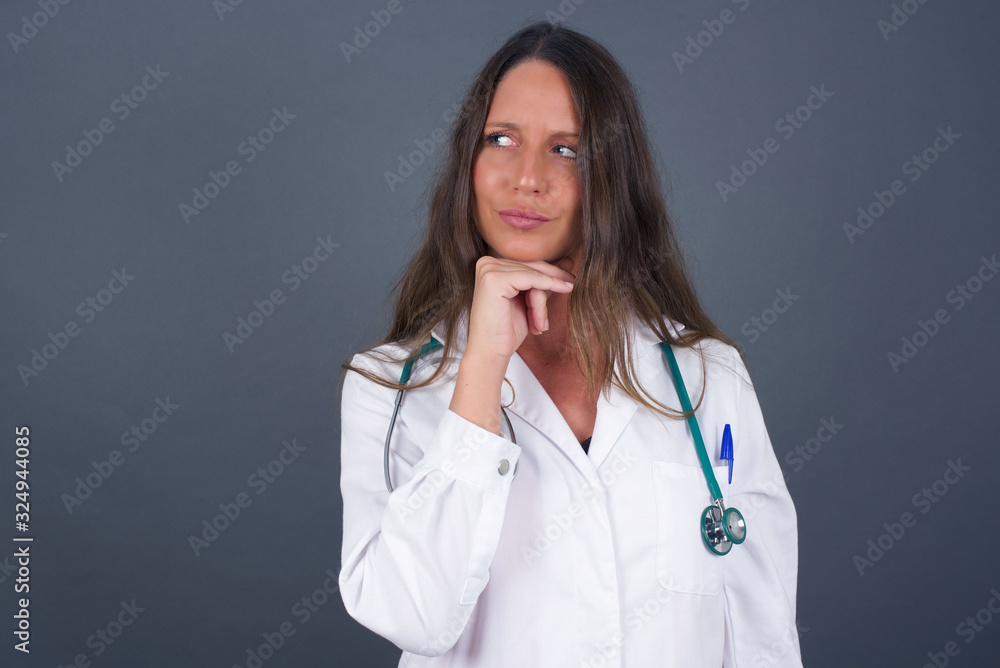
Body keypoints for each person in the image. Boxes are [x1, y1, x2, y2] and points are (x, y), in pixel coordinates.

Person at [337, 20, 802, 667]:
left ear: (614, 177)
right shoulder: (390, 387)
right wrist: (481, 370)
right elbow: (412, 615)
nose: (527, 178)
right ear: (468, 159)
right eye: (501, 140)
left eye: (567, 151)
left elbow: (764, 635)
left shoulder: (708, 378)